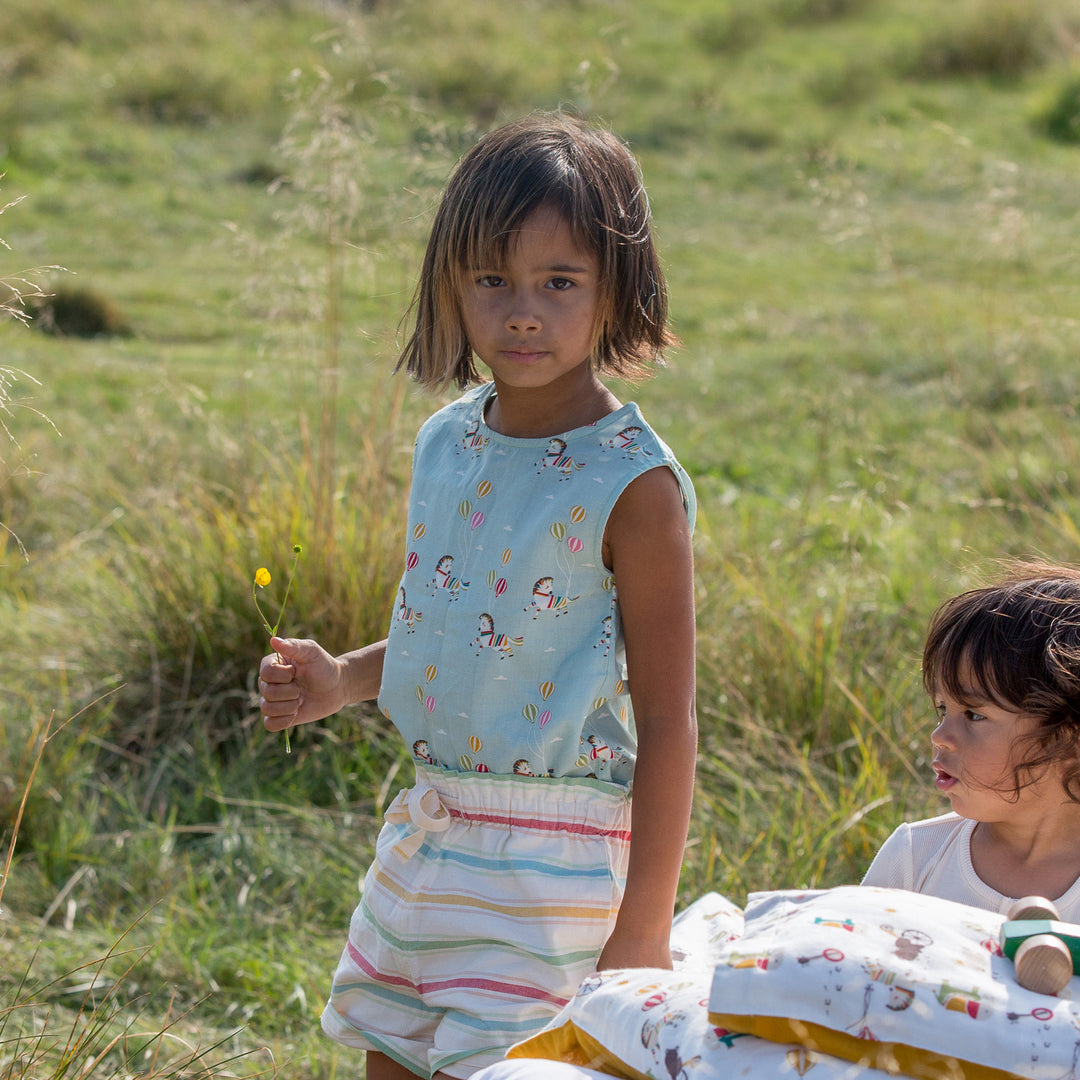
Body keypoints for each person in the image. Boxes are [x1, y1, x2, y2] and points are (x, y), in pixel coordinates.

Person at [258, 113, 697, 1080]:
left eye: (560, 281)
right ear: (449, 284)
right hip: (432, 831)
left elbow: (670, 723)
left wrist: (645, 928)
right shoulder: (447, 441)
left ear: (618, 288)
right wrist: (341, 680)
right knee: (390, 1057)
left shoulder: (634, 486)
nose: (523, 311)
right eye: (492, 279)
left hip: (555, 868)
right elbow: (457, 630)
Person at [862, 561, 1080, 921]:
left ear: (1068, 737)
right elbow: (855, 965)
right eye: (942, 709)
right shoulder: (917, 855)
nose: (940, 737)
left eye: (974, 715)